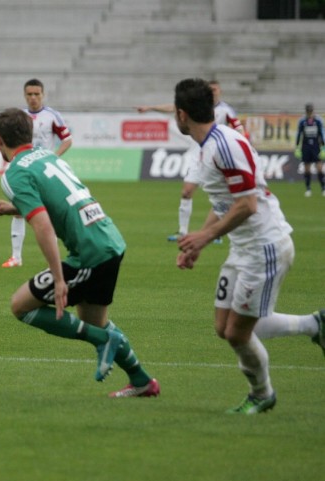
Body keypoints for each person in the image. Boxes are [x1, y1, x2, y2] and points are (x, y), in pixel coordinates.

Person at [174, 78, 324, 414]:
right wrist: (198, 240)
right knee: (223, 327)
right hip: (244, 248)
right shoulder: (211, 145)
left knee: (238, 334)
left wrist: (206, 237)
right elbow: (225, 201)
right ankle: (315, 325)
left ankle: (262, 394)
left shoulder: (224, 144)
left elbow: (248, 205)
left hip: (265, 246)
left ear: (181, 114)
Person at [0, 107, 159, 397]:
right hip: (109, 239)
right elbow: (57, 199)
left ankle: (103, 340)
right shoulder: (47, 155)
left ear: (1, 139)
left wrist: (58, 279)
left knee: (21, 305)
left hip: (89, 252)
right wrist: (13, 208)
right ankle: (142, 381)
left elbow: (42, 226)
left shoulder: (14, 174)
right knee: (95, 320)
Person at [137, 80, 246, 242]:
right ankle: (182, 231)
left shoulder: (225, 110)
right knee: (187, 191)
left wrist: (242, 147)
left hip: (216, 154)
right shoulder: (198, 106)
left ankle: (217, 232)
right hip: (197, 154)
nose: (213, 92)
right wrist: (150, 108)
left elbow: (238, 128)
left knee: (222, 194)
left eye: (215, 89)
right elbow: (174, 107)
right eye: (211, 90)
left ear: (220, 91)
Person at [0, 79, 73, 268]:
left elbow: (67, 140)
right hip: (22, 169)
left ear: (43, 95)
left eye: (36, 94)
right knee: (18, 209)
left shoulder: (52, 116)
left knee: (50, 212)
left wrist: (54, 157)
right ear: (25, 95)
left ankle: (53, 263)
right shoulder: (19, 117)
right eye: (29, 94)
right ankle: (16, 257)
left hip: (43, 171)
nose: (33, 98)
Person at [294, 103, 325, 197]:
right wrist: (297, 147)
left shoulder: (318, 120)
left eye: (311, 111)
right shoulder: (302, 121)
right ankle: (308, 189)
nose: (310, 113)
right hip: (306, 146)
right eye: (308, 111)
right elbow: (299, 134)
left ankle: (323, 188)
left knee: (319, 168)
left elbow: (321, 134)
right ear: (306, 111)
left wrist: (323, 147)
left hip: (316, 146)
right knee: (307, 169)